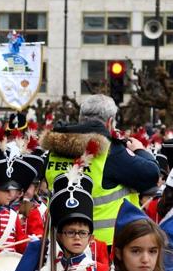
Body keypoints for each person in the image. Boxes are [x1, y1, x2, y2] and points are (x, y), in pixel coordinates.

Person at [42, 94, 160, 246]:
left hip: (61, 243)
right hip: (104, 245)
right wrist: (140, 150)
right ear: (110, 122)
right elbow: (151, 174)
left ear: (80, 118)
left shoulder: (54, 150)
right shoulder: (110, 151)